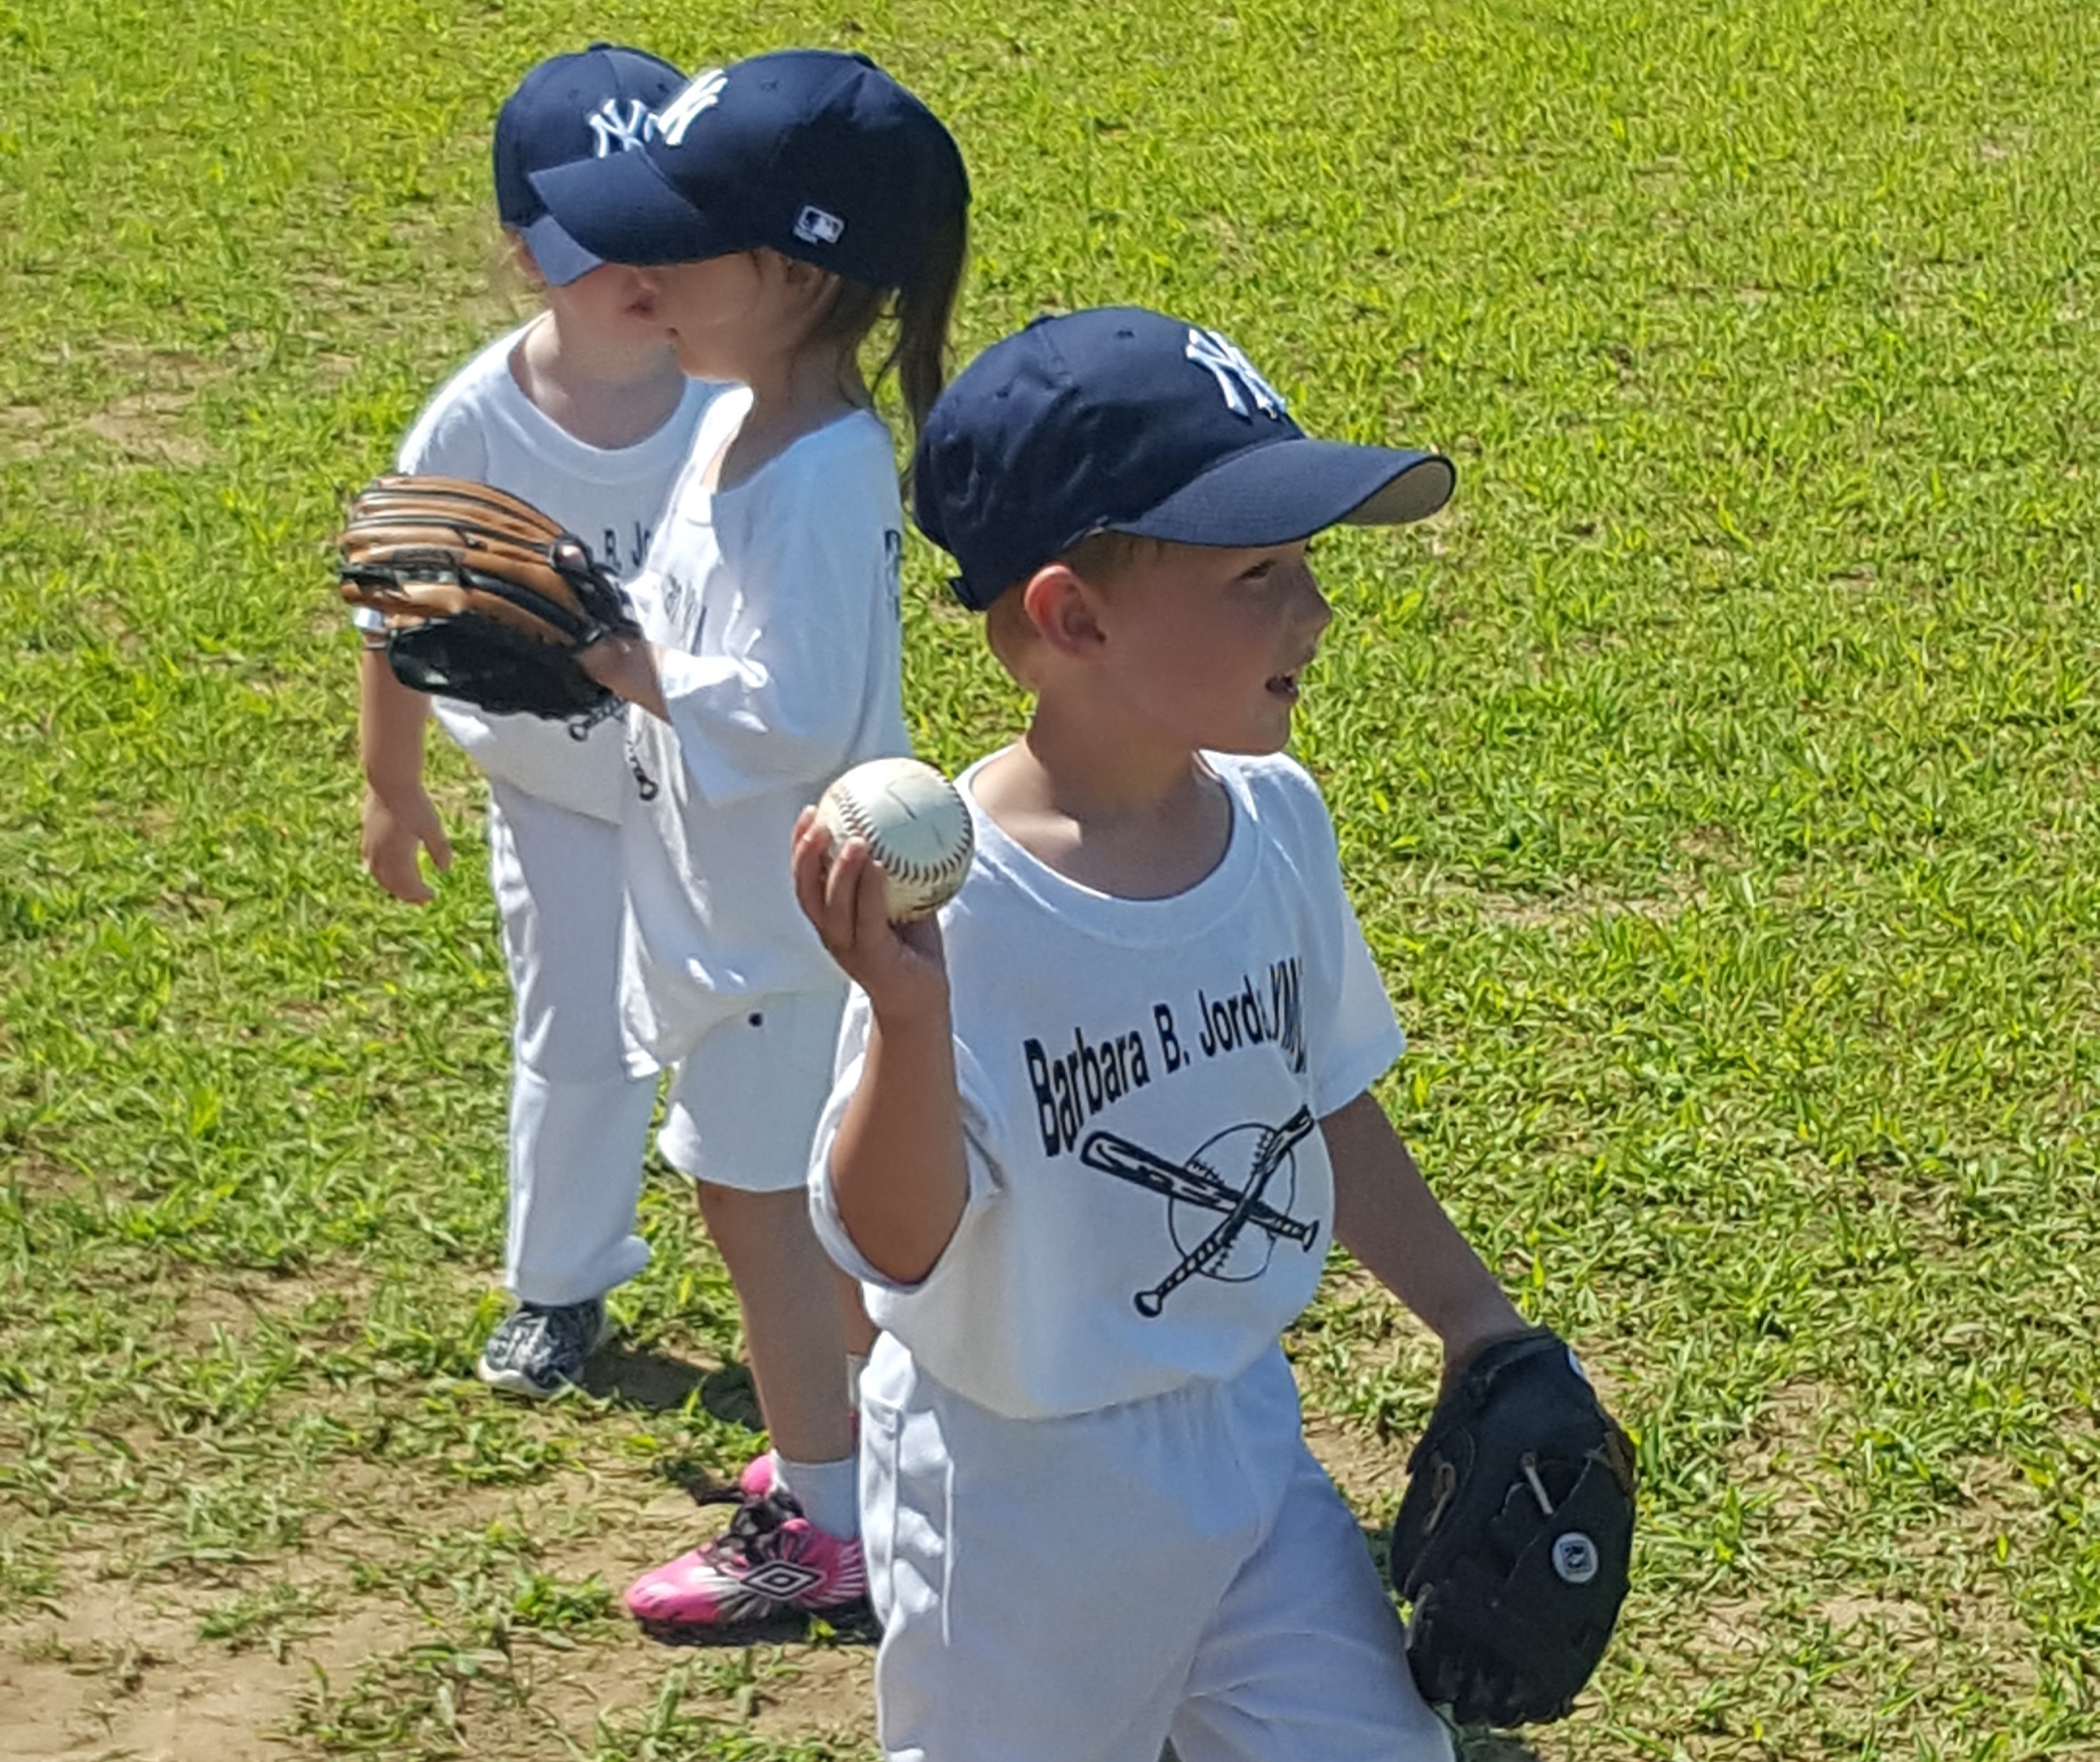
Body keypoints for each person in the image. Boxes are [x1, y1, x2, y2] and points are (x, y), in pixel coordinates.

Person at [793, 306, 1542, 1760]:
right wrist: (906, 1011)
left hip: (1242, 1434)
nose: (1312, 609)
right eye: (1256, 573)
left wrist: (1476, 1320)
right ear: (1073, 617)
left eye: (1305, 563)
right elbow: (892, 1243)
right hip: (1020, 1494)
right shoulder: (968, 908)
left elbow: (1325, 1100)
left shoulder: (1273, 821)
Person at [530, 49, 970, 1628]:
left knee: (772, 1221)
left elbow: (790, 709)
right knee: (777, 1219)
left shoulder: (823, 464)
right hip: (733, 919)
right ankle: (878, 1474)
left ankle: (831, 1516)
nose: (631, 272)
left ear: (791, 269)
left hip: (789, 941)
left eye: (671, 243)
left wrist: (615, 657)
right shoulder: (737, 426)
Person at [354, 44, 713, 1399]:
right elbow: (401, 618)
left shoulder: (747, 405)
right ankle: (559, 1285)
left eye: (667, 237)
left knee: (768, 1028)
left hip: (723, 786)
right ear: (521, 254)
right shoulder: (474, 425)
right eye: (593, 244)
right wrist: (394, 786)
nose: (639, 275)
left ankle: (830, 1275)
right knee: (576, 1036)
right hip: (556, 793)